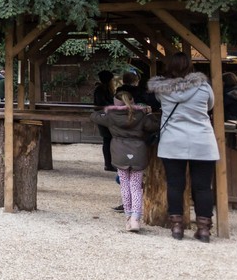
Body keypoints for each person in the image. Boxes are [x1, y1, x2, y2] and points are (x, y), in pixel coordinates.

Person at [147, 52, 219, 242]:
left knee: (175, 185)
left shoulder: (162, 90)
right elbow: (210, 106)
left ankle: (177, 227)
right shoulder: (204, 87)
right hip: (202, 140)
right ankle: (204, 229)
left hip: (173, 140)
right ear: (190, 66)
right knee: (203, 187)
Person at [91, 90, 159, 232]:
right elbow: (154, 126)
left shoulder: (111, 116)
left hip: (119, 152)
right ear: (132, 100)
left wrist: (107, 109)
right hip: (138, 151)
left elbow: (94, 116)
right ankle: (135, 219)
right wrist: (149, 113)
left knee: (124, 185)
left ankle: (128, 216)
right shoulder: (141, 115)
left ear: (116, 103)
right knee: (136, 187)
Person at [93, 70, 116, 172]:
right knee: (107, 139)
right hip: (103, 116)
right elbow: (101, 103)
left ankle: (109, 163)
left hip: (107, 115)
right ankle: (108, 164)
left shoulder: (104, 89)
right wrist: (114, 105)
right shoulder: (100, 89)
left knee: (108, 139)